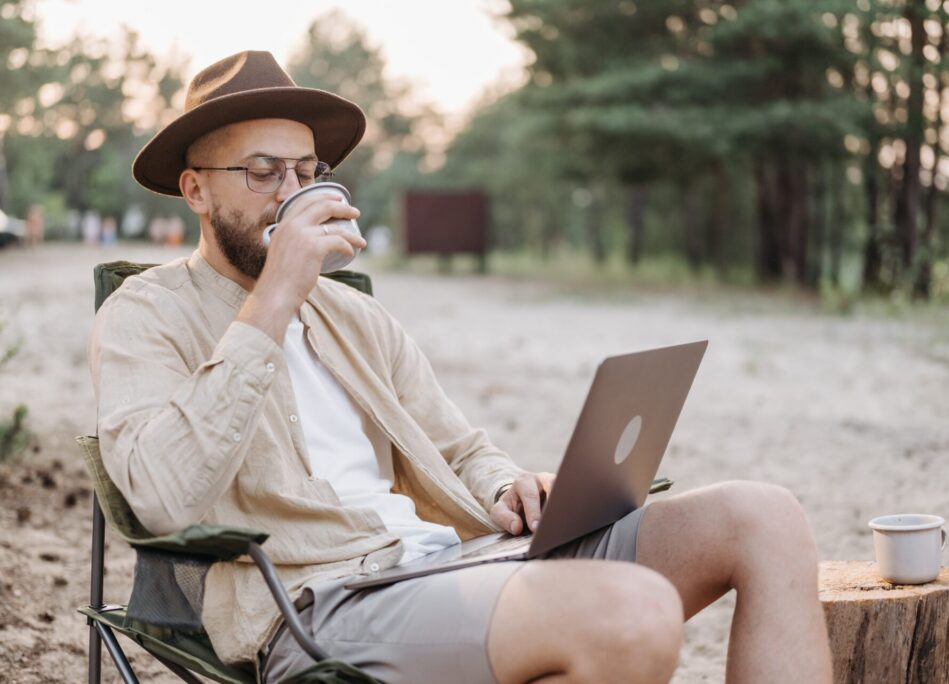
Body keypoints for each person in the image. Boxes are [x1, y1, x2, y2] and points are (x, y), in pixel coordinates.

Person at [90, 51, 832, 684]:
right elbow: (161, 498)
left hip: (454, 560)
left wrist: (505, 487)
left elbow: (460, 448)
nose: (293, 194)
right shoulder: (144, 315)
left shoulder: (354, 317)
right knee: (632, 612)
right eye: (261, 173)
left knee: (762, 517)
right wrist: (274, 297)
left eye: (306, 171)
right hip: (321, 603)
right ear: (195, 189)